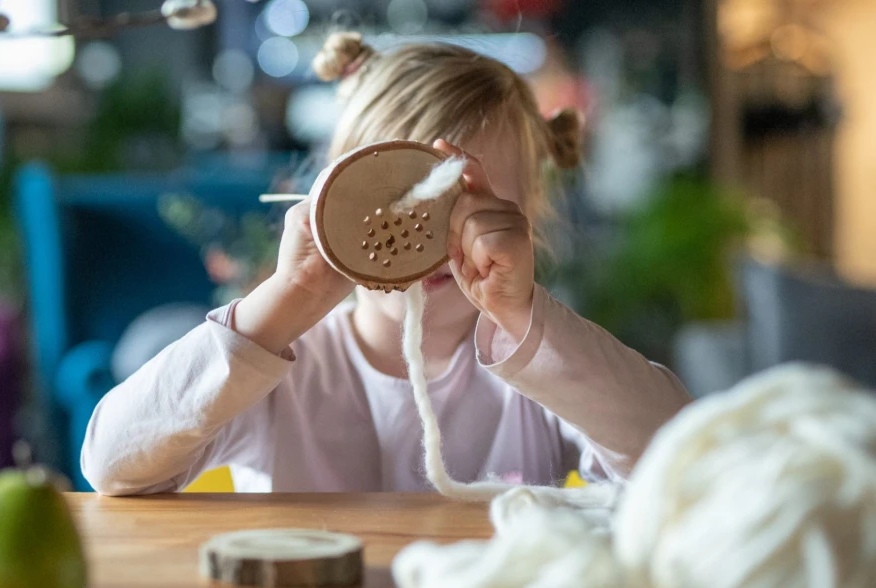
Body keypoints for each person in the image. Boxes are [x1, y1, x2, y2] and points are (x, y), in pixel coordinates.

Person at [81, 32, 691, 495]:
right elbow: (110, 465)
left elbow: (684, 458)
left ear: (524, 220)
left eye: (466, 203)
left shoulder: (541, 372)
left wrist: (525, 319)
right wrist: (281, 302)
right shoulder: (279, 370)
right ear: (326, 196)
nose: (428, 235)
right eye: (393, 201)